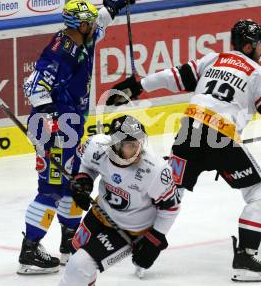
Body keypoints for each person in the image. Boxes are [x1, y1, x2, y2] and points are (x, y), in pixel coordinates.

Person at [106, 20, 261, 282]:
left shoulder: (214, 59)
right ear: (249, 46)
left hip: (188, 132)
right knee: (259, 194)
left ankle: (143, 253)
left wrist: (139, 86)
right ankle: (246, 260)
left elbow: (174, 76)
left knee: (170, 194)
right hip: (220, 138)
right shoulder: (258, 73)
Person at [18, 0, 138, 275]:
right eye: (90, 22)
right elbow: (33, 86)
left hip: (70, 124)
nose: (94, 25)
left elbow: (103, 19)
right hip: (55, 127)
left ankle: (68, 244)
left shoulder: (84, 38)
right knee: (51, 189)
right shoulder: (59, 53)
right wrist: (50, 120)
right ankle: (29, 252)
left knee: (74, 182)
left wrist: (116, 3)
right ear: (79, 26)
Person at [58, 114, 180, 285]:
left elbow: (170, 207)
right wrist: (84, 180)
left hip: (130, 230)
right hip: (100, 214)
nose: (137, 150)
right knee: (76, 256)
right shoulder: (97, 146)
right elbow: (86, 164)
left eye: (138, 143)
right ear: (115, 144)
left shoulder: (155, 169)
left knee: (81, 264)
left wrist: (155, 238)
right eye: (130, 145)